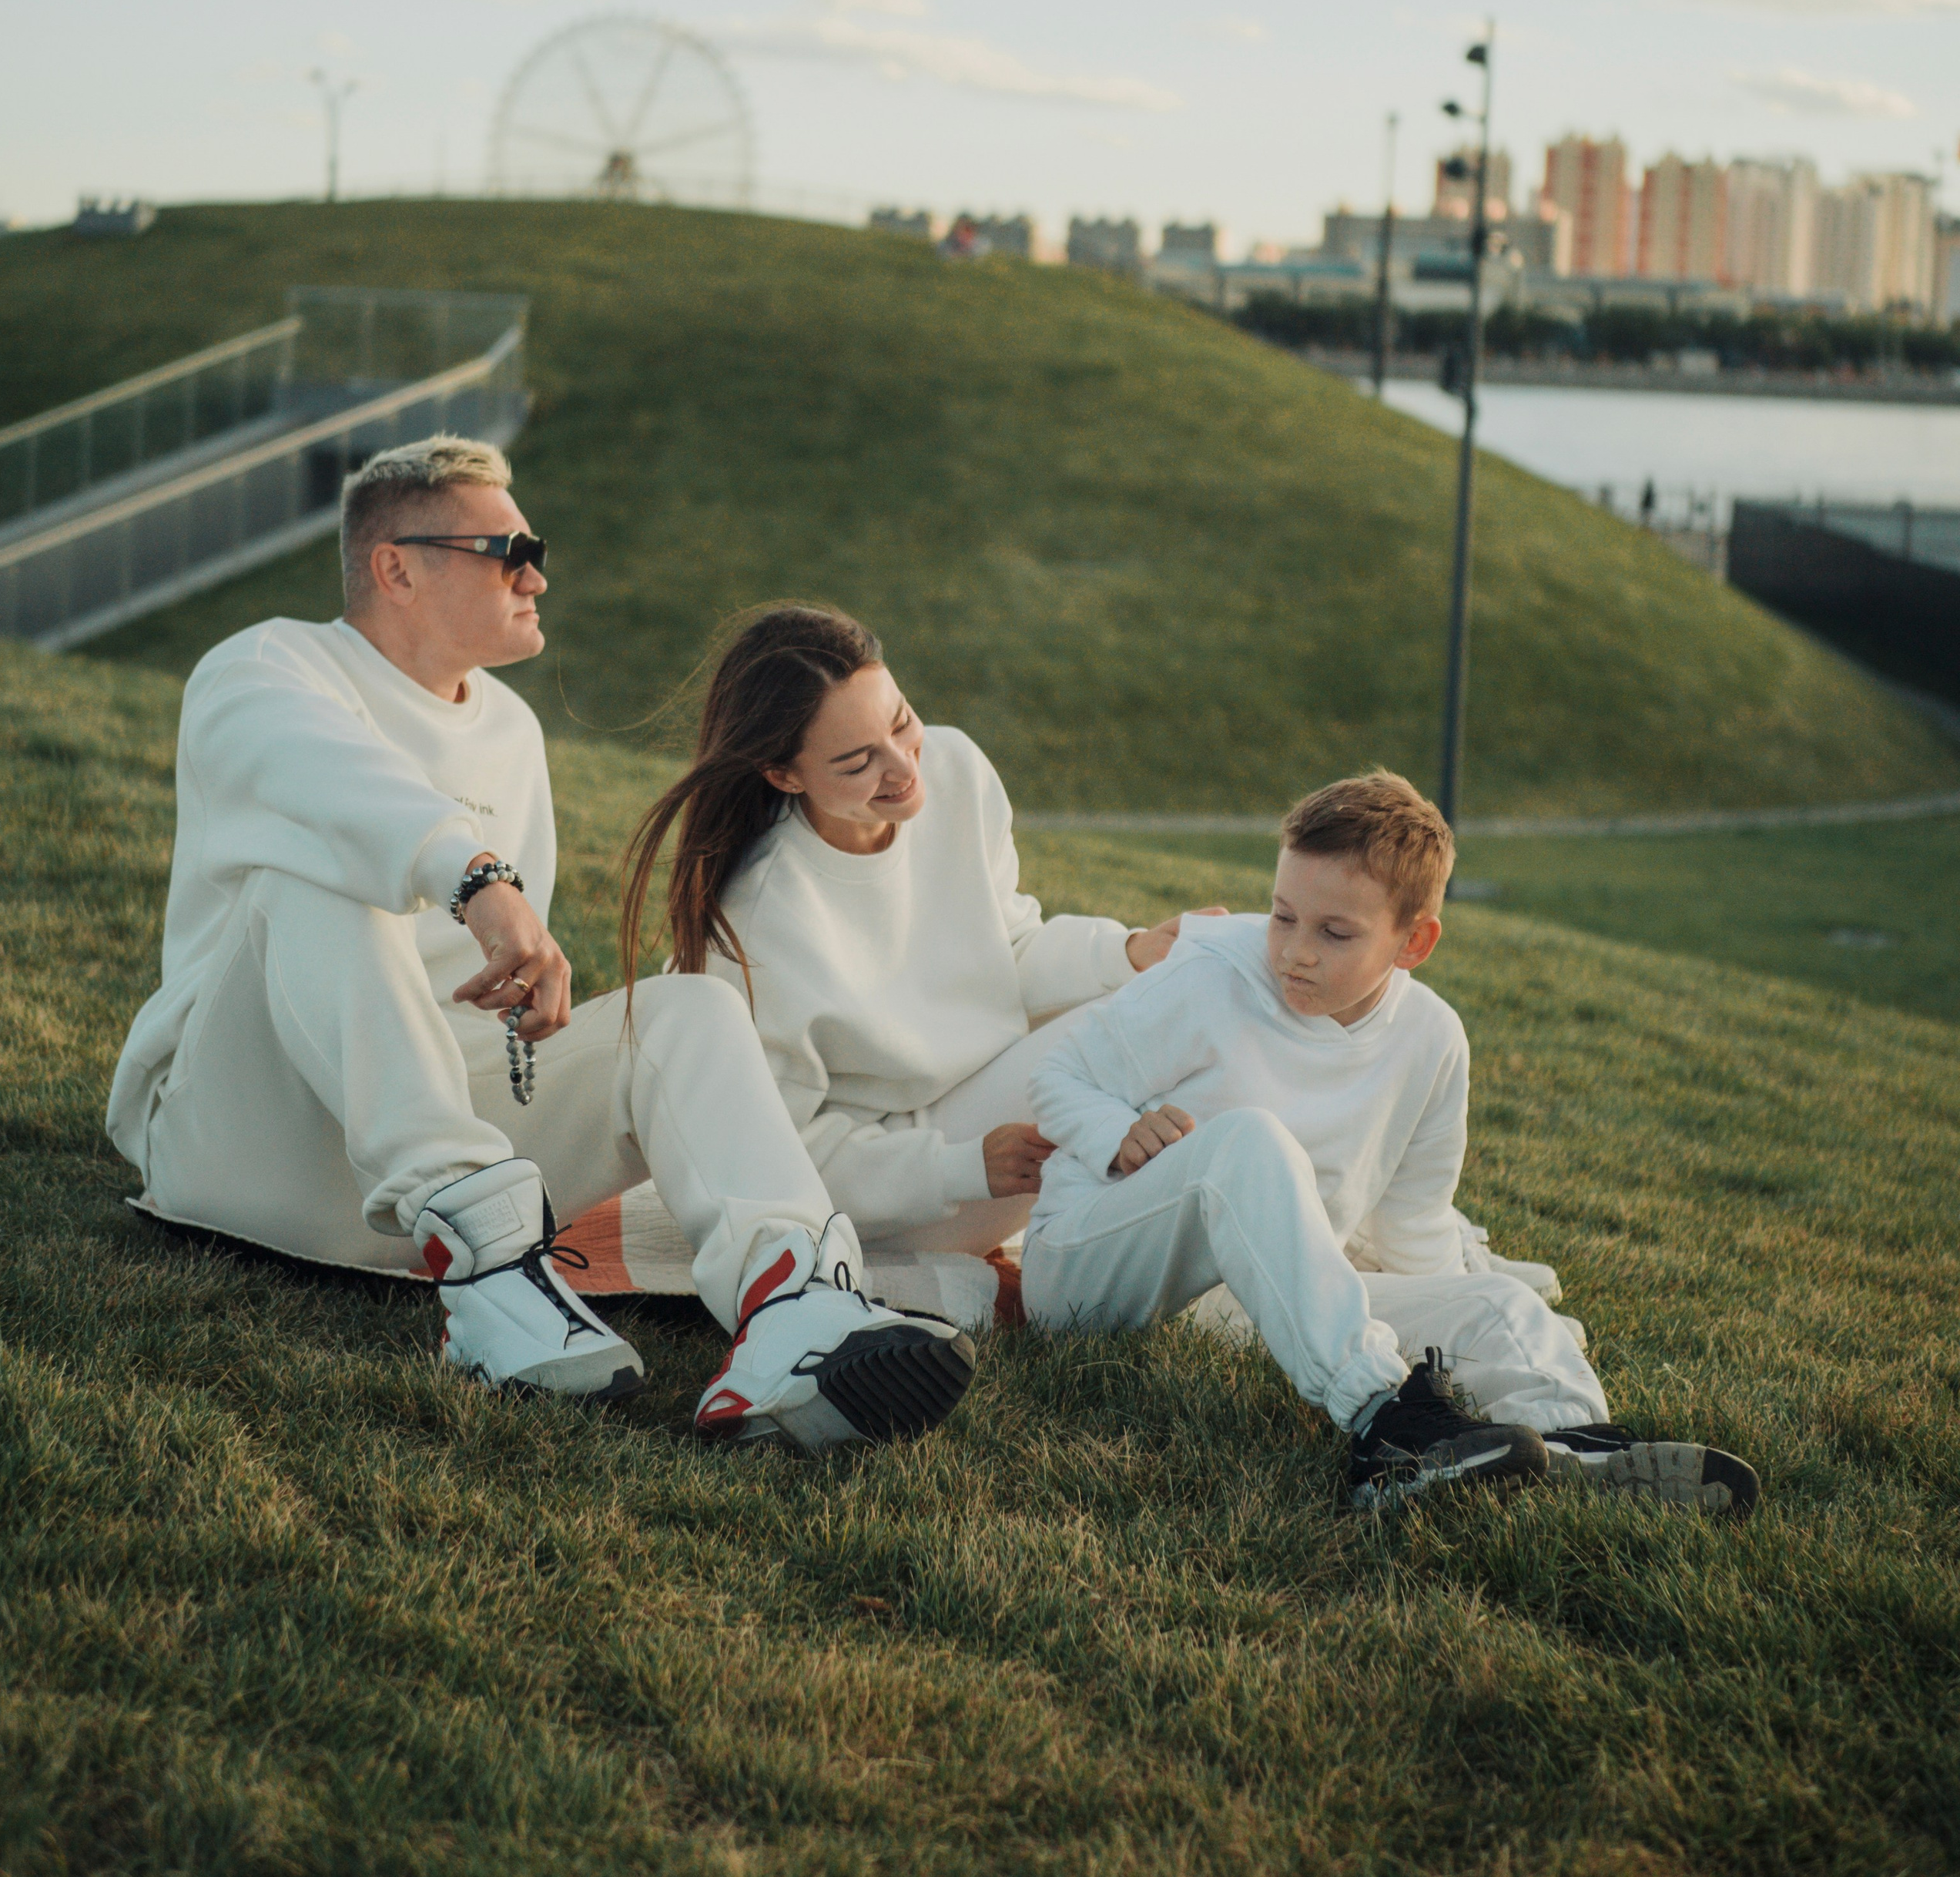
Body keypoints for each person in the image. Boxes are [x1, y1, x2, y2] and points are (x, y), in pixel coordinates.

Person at [107, 435, 973, 1453]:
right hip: (249, 1143)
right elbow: (324, 781)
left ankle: (792, 1304)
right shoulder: (265, 667)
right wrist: (479, 880)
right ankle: (490, 1269)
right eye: (506, 548)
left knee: (685, 1009)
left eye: (536, 547)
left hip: (432, 1168)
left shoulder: (513, 733)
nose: (537, 573)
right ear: (397, 566)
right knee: (315, 871)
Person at [1022, 772, 1761, 1515]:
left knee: (1499, 1305)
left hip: (1266, 1299)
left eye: (1334, 932)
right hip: (1093, 1267)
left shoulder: (1433, 1036)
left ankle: (1575, 1444)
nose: (1294, 952)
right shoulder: (1211, 973)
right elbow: (1056, 1072)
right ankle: (1385, 1423)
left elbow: (1412, 1229)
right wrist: (1114, 1133)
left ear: (1415, 941)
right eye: (1283, 916)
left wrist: (1459, 1292)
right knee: (1247, 1139)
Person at [620, 605, 1205, 1262]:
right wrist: (958, 1167)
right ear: (784, 774)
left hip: (980, 1107)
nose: (903, 768)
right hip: (902, 1195)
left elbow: (1007, 944)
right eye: (858, 761)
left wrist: (1131, 951)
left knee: (1187, 982)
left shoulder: (954, 766)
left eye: (900, 722)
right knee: (1169, 1020)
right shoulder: (760, 921)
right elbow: (774, 1155)